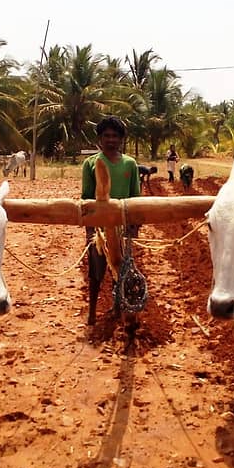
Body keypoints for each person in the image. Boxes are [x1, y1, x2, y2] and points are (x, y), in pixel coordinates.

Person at [81, 116, 141, 326]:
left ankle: (119, 307)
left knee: (124, 270)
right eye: (106, 135)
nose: (111, 140)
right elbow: (86, 199)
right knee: (97, 273)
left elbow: (135, 197)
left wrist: (134, 227)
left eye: (115, 136)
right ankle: (92, 312)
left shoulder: (130, 164)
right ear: (100, 138)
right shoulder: (91, 164)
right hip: (99, 231)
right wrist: (90, 231)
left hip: (123, 228)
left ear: (121, 139)